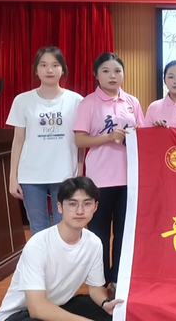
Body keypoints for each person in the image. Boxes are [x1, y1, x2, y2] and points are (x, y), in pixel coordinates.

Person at [0, 176, 123, 321]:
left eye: (87, 203)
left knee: (107, 312)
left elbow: (95, 288)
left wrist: (105, 303)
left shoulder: (94, 243)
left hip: (57, 305)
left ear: (95, 207)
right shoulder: (38, 245)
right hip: (20, 315)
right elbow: (36, 308)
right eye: (72, 204)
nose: (80, 211)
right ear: (60, 207)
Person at [72, 52, 144, 291]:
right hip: (99, 180)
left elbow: (143, 136)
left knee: (124, 233)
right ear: (96, 75)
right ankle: (99, 282)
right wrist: (108, 137)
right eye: (106, 71)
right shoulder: (88, 103)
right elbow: (80, 140)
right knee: (99, 233)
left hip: (129, 179)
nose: (112, 76)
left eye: (117, 71)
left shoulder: (132, 102)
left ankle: (118, 280)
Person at [6, 46, 84, 235]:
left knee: (64, 228)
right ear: (36, 70)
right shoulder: (22, 101)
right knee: (38, 229)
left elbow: (80, 140)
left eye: (55, 65)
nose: (49, 70)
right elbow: (18, 140)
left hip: (65, 174)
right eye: (43, 65)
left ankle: (62, 257)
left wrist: (80, 171)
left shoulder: (76, 101)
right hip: (31, 176)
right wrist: (13, 177)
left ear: (63, 69)